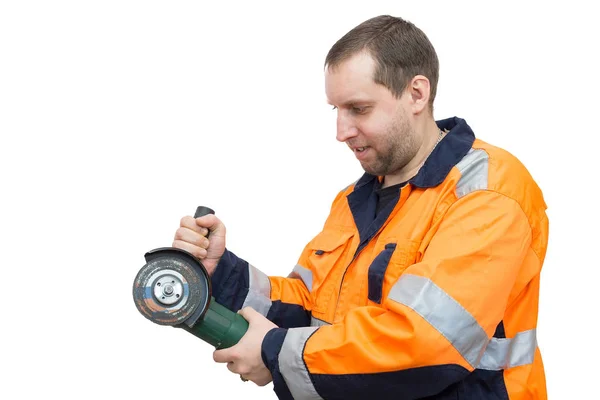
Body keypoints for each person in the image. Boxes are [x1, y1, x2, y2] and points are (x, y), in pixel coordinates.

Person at [173, 15, 548, 400]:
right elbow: (310, 311)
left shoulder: (488, 192)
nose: (341, 131)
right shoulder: (356, 199)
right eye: (335, 109)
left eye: (359, 108)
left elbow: (427, 344)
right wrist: (222, 274)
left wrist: (273, 352)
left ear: (417, 94)